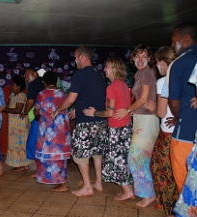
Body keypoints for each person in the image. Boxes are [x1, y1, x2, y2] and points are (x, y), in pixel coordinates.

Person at [52, 46, 107, 197]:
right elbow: (94, 96)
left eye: (76, 58)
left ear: (82, 57)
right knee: (97, 153)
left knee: (80, 155)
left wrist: (58, 110)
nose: (75, 61)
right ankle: (99, 183)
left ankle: (88, 187)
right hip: (100, 121)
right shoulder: (98, 74)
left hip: (86, 123)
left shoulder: (80, 74)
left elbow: (70, 99)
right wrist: (79, 108)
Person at [114, 44, 159, 207]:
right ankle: (146, 192)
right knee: (138, 158)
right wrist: (133, 111)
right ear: (133, 58)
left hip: (147, 120)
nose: (140, 60)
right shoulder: (141, 73)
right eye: (137, 56)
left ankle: (149, 194)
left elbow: (143, 98)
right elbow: (141, 100)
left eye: (144, 56)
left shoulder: (146, 73)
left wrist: (127, 110)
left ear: (149, 59)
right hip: (142, 118)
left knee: (137, 158)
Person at [83, 57, 134, 200]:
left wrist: (95, 113)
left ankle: (127, 190)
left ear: (114, 69)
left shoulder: (111, 87)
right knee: (123, 159)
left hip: (117, 128)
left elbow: (110, 113)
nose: (104, 70)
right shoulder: (123, 84)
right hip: (126, 127)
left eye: (107, 67)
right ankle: (128, 189)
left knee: (116, 159)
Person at [144, 46, 178, 217]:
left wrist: (153, 107)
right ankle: (166, 202)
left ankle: (170, 207)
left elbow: (162, 112)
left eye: (157, 63)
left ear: (163, 63)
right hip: (180, 131)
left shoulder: (163, 81)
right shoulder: (183, 77)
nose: (157, 67)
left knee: (161, 168)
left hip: (167, 132)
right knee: (175, 168)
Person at [168, 21, 197, 194]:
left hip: (186, 129)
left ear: (186, 39)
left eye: (174, 40)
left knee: (183, 172)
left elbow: (174, 101)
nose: (172, 45)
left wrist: (180, 118)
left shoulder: (180, 63)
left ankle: (191, 214)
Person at [35, 71, 71, 191]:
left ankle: (59, 183)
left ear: (44, 82)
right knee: (59, 157)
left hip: (48, 131)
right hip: (62, 131)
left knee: (48, 156)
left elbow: (36, 111)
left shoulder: (41, 94)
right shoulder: (63, 94)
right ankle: (62, 182)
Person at [20, 68, 45, 177]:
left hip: (38, 118)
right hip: (46, 119)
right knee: (41, 144)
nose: (26, 79)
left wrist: (24, 112)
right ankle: (42, 168)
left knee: (32, 144)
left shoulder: (34, 84)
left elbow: (30, 102)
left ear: (35, 74)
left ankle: (40, 169)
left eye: (27, 76)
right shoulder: (43, 83)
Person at [3, 75, 31, 171]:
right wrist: (2, 105)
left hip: (20, 124)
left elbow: (18, 110)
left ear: (19, 86)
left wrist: (5, 109)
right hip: (14, 124)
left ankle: (24, 164)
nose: (11, 87)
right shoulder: (13, 95)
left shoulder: (21, 96)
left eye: (13, 85)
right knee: (15, 144)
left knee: (20, 144)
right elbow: (8, 104)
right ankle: (22, 164)